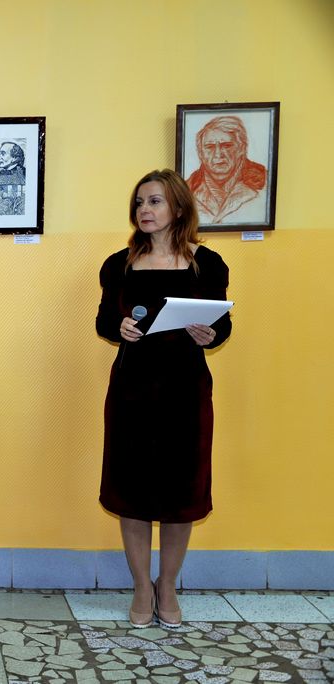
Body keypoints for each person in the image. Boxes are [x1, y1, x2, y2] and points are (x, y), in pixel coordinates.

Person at [95, 169, 231, 629]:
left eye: (153, 201)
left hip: (185, 392)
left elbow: (222, 324)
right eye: (139, 203)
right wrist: (118, 327)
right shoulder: (119, 264)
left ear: (178, 206)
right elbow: (103, 320)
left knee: (181, 492)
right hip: (132, 391)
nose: (144, 210)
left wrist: (211, 333)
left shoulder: (207, 263)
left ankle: (167, 585)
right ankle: (140, 586)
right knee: (131, 490)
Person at [187, 115, 267, 224]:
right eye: (210, 147)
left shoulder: (266, 185)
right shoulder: (186, 189)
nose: (218, 154)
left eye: (227, 146)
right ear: (200, 153)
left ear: (242, 149)